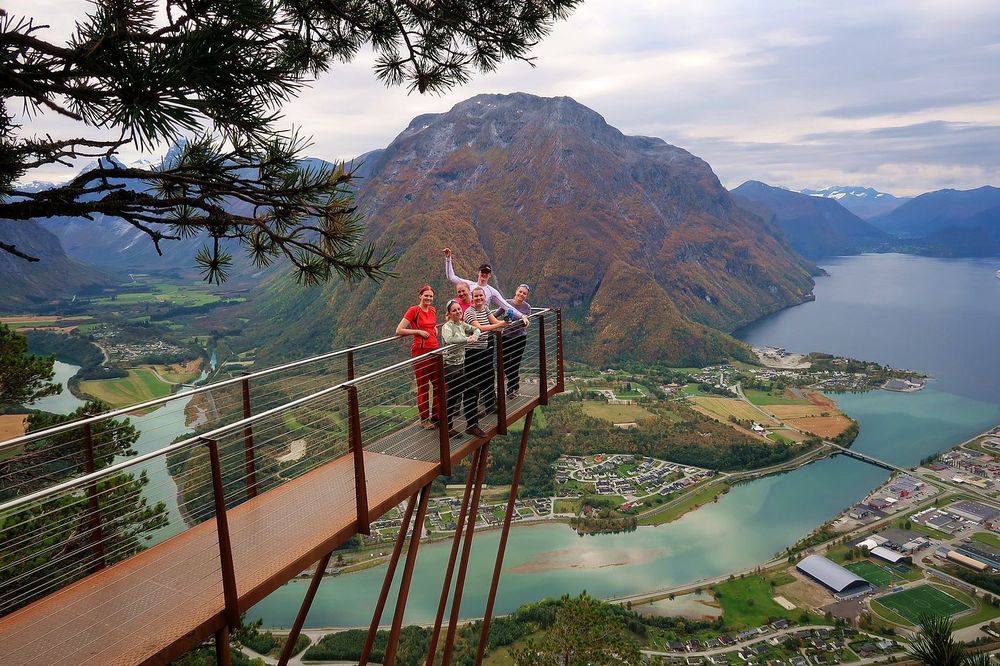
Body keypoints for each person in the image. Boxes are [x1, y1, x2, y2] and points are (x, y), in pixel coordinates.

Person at [443, 247, 529, 327]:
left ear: (490, 275)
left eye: (486, 273)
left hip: (484, 324)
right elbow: (451, 277)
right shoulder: (468, 285)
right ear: (478, 273)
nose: (484, 274)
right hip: (469, 321)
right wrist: (448, 259)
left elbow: (506, 305)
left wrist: (522, 316)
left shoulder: (492, 291)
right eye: (482, 272)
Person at [395, 284, 440, 429]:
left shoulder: (432, 310)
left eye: (431, 296)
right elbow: (399, 330)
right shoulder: (413, 310)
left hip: (435, 349)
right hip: (420, 352)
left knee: (439, 383)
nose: (428, 298)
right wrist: (418, 331)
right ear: (420, 296)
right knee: (423, 386)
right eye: (426, 295)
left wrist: (433, 328)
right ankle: (424, 419)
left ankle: (437, 416)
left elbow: (431, 324)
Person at [440, 299, 486, 438]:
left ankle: (447, 428)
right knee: (473, 390)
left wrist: (474, 336)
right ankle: (471, 424)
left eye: (459, 309)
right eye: (454, 310)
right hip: (450, 368)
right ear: (449, 313)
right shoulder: (447, 327)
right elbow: (449, 339)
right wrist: (467, 339)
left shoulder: (461, 324)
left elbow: (476, 329)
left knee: (453, 396)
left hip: (460, 366)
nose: (458, 312)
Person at [464, 286, 508, 417]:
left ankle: (490, 405)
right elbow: (479, 328)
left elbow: (494, 322)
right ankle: (471, 412)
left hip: (483, 348)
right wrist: (500, 325)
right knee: (473, 381)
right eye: (476, 296)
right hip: (472, 351)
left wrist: (505, 322)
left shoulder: (485, 308)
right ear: (472, 298)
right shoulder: (469, 312)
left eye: (481, 295)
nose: (479, 298)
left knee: (489, 376)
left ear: (484, 297)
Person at [501, 283, 532, 397]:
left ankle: (511, 388)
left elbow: (526, 324)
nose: (521, 294)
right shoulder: (506, 303)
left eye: (524, 293)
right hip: (505, 337)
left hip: (520, 338)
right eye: (520, 292)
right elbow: (496, 314)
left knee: (515, 363)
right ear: (516, 291)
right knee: (505, 363)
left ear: (526, 296)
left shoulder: (527, 307)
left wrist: (521, 323)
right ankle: (515, 381)